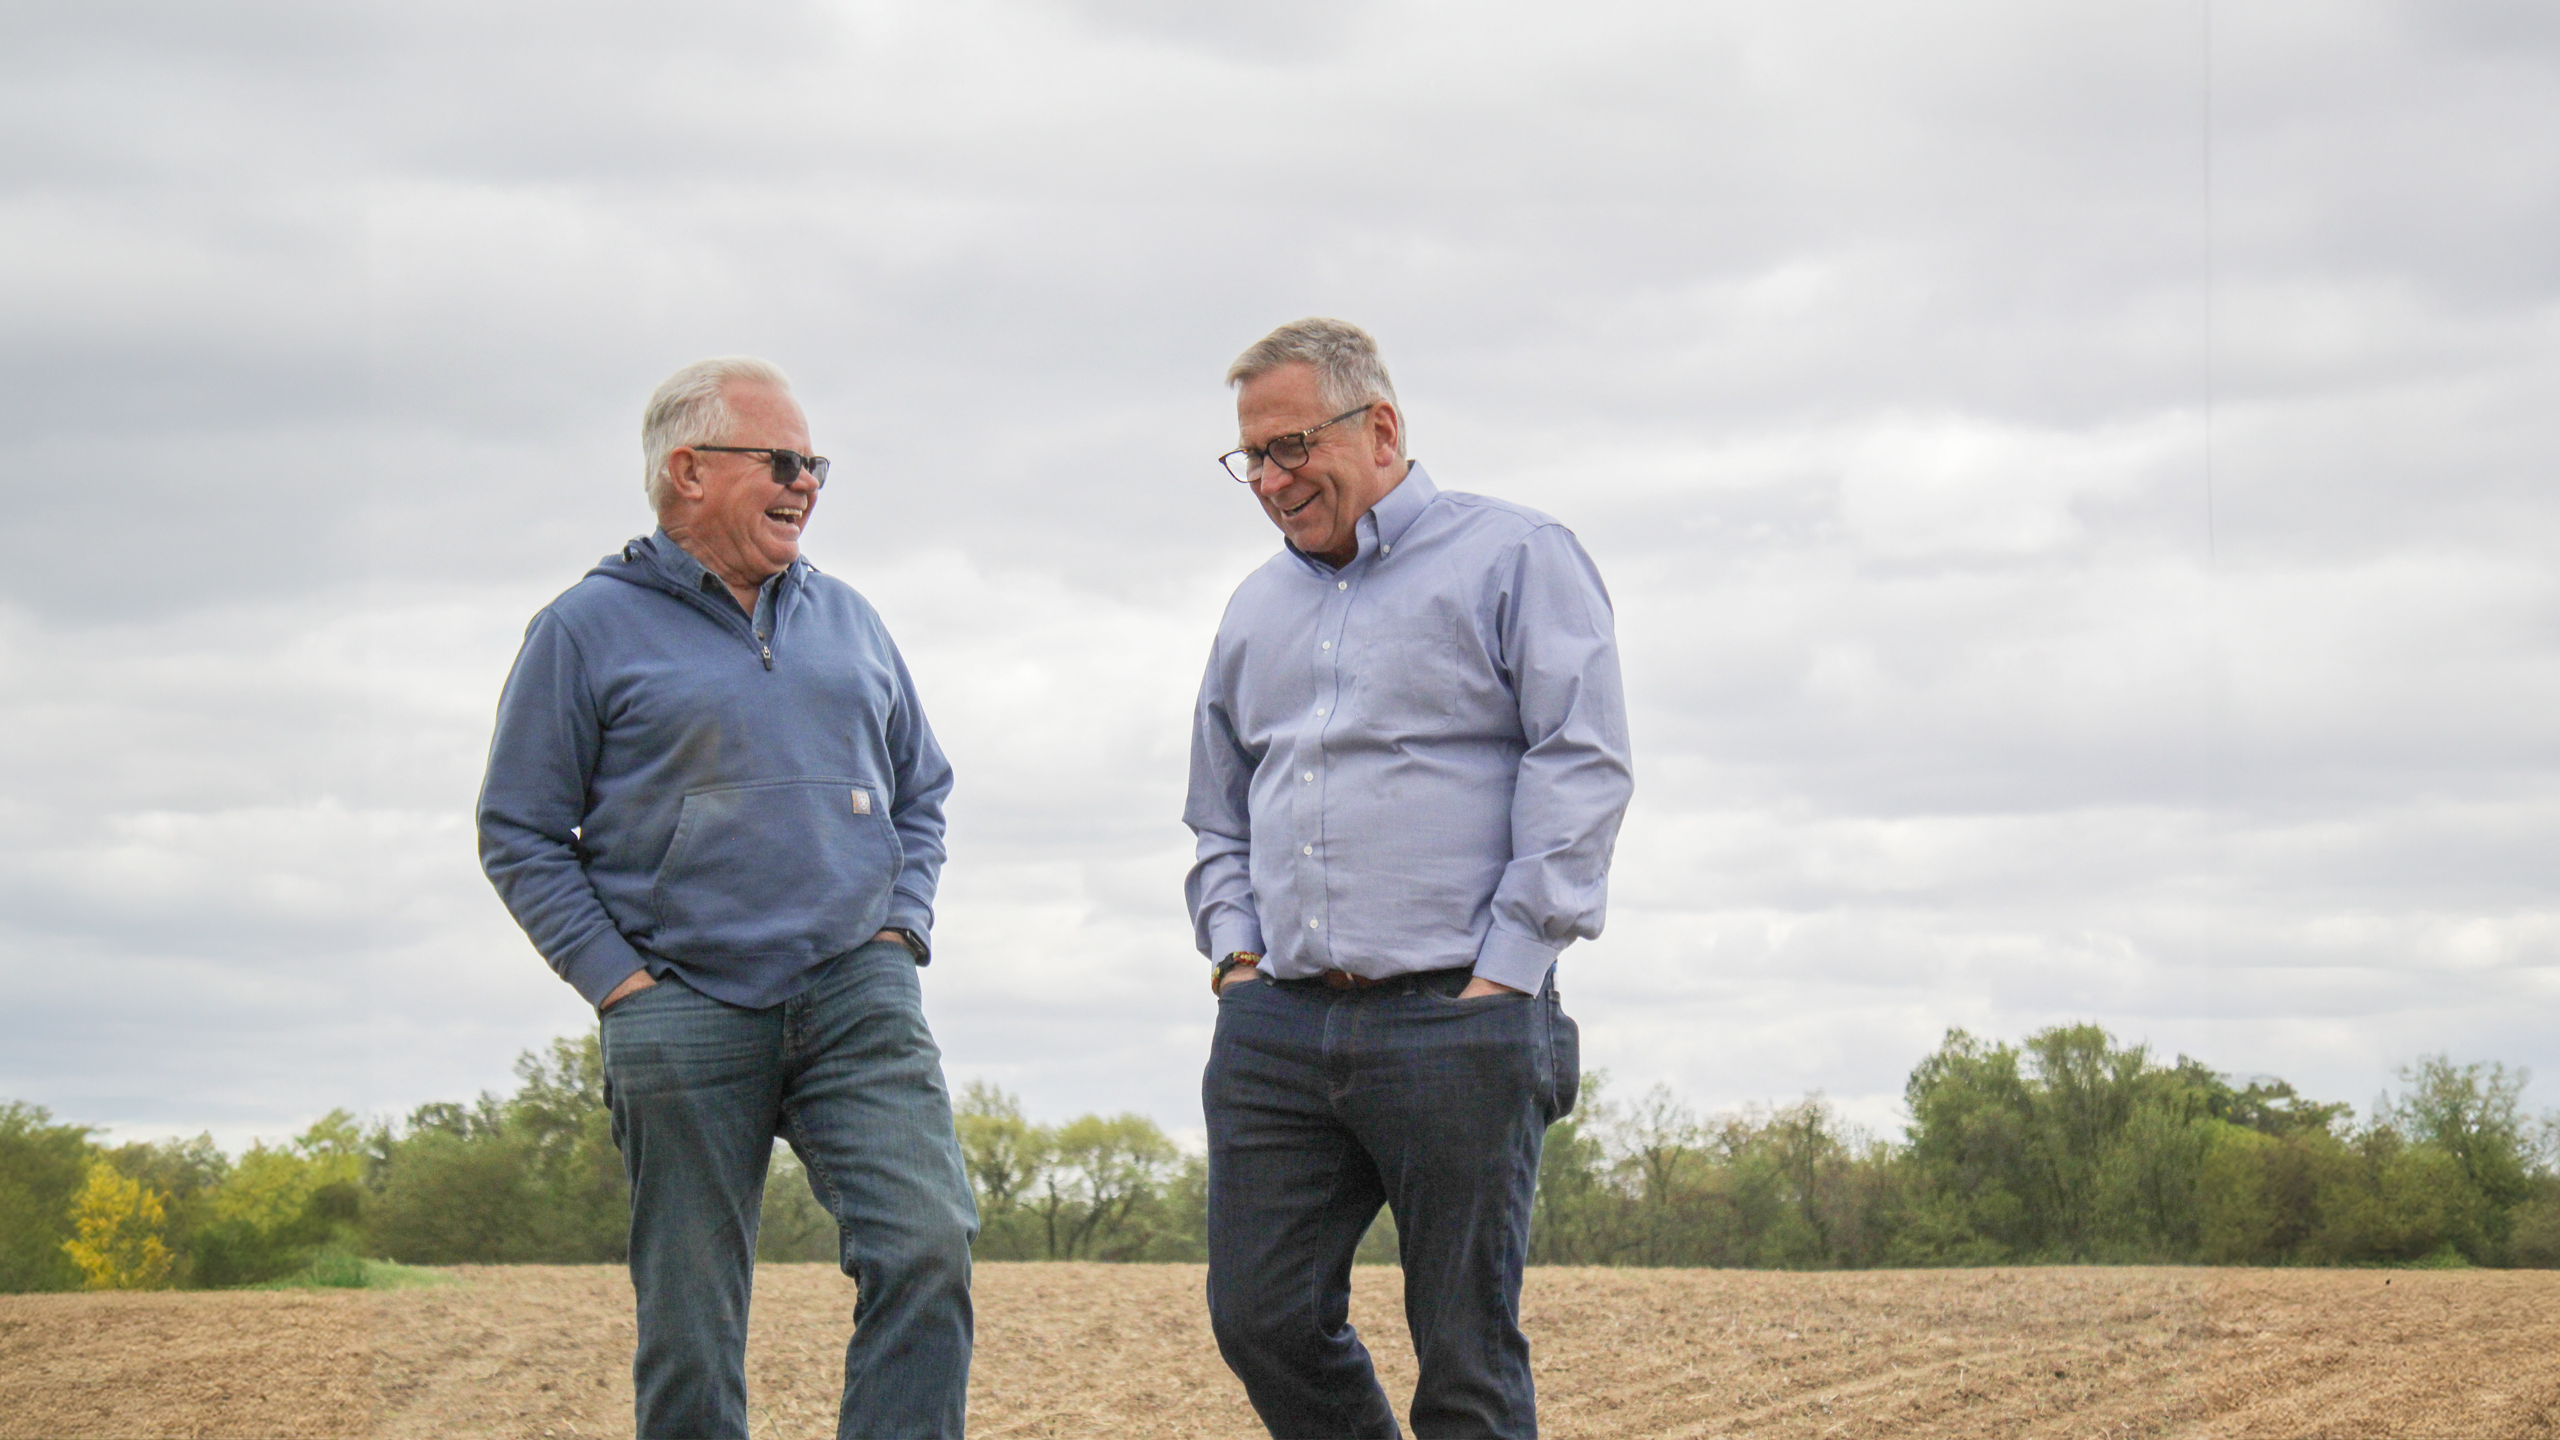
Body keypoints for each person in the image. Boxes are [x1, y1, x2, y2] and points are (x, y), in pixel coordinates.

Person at [477, 356, 976, 1440]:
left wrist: (900, 931)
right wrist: (621, 985)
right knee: (692, 1329)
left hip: (855, 992)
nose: (806, 483)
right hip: (683, 1007)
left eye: (815, 465)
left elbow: (923, 790)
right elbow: (518, 830)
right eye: (784, 461)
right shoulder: (581, 629)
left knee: (928, 1247)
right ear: (689, 471)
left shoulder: (850, 618)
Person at [1186, 318, 1634, 1438]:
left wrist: (1509, 970)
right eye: (1253, 459)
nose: (1273, 482)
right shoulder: (1254, 608)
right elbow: (1218, 808)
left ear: (1379, 427)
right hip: (1279, 1027)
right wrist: (1236, 956)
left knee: (1465, 1357)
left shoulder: (1517, 555)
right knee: (1260, 1317)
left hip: (1458, 1017)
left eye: (1293, 448)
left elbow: (1580, 761)